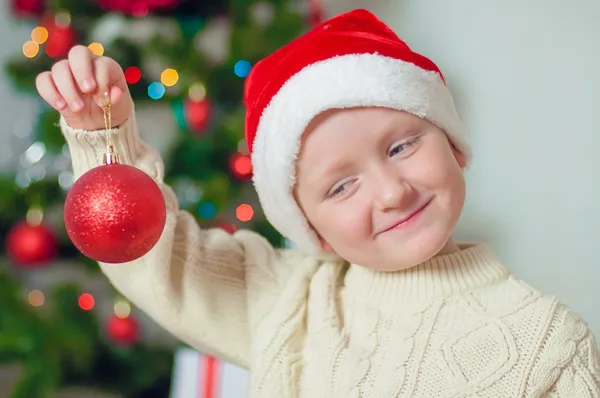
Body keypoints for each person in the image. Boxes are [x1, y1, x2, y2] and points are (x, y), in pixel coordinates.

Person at [36, 8, 599, 397]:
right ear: (311, 226)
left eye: (402, 146)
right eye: (340, 186)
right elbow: (158, 259)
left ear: (453, 144)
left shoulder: (547, 341)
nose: (391, 190)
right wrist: (104, 137)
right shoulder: (291, 300)